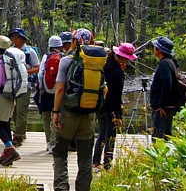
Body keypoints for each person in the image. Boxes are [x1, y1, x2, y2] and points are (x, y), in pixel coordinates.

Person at [52, 28, 100, 191]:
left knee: (60, 153)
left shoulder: (66, 61)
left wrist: (56, 112)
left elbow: (59, 89)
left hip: (68, 114)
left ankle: (61, 187)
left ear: (73, 42)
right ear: (92, 42)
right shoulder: (97, 63)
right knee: (85, 159)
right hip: (88, 115)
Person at [92, 42, 137, 171]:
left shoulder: (105, 65)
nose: (128, 61)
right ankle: (107, 164)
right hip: (111, 109)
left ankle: (95, 161)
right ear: (122, 57)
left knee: (101, 134)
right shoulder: (118, 72)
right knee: (111, 136)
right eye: (127, 58)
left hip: (100, 105)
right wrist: (118, 114)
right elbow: (116, 96)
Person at [0, 35, 21, 166]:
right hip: (11, 95)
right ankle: (7, 154)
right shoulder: (12, 60)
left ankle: (11, 149)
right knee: (6, 123)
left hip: (1, 96)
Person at [8, 27, 40, 146]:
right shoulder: (10, 51)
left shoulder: (29, 51)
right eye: (13, 37)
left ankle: (18, 135)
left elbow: (37, 67)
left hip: (26, 84)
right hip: (13, 84)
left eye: (17, 37)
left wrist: (26, 72)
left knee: (22, 109)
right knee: (14, 110)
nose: (15, 40)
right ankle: (21, 131)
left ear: (22, 38)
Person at [36, 35, 63, 153]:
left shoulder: (46, 57)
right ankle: (55, 142)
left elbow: (40, 74)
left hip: (45, 91)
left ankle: (48, 143)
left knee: (46, 117)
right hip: (58, 91)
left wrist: (41, 88)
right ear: (60, 46)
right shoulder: (63, 57)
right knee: (56, 117)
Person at [150, 36, 178, 140]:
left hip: (163, 108)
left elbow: (167, 84)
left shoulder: (164, 64)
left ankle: (158, 156)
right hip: (169, 106)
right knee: (167, 135)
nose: (153, 49)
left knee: (158, 137)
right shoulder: (171, 62)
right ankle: (168, 156)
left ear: (159, 50)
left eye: (155, 47)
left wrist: (161, 105)